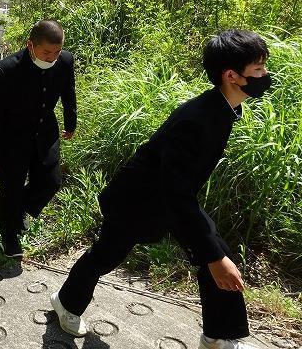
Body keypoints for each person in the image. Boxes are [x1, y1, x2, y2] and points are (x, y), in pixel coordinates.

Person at [50, 30, 271, 349]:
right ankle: (65, 303)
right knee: (106, 256)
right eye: (258, 69)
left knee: (217, 255)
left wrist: (212, 254)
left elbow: (179, 190)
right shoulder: (198, 120)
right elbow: (174, 190)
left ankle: (218, 337)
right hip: (137, 200)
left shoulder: (222, 109)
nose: (265, 75)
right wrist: (212, 255)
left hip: (172, 199)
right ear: (231, 76)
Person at [0, 20, 77, 257]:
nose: (52, 58)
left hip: (45, 132)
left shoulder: (65, 61)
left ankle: (20, 210)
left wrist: (70, 121)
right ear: (30, 45)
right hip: (12, 139)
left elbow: (68, 92)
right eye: (46, 52)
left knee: (51, 182)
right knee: (10, 188)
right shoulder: (6, 70)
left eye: (57, 52)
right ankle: (9, 236)